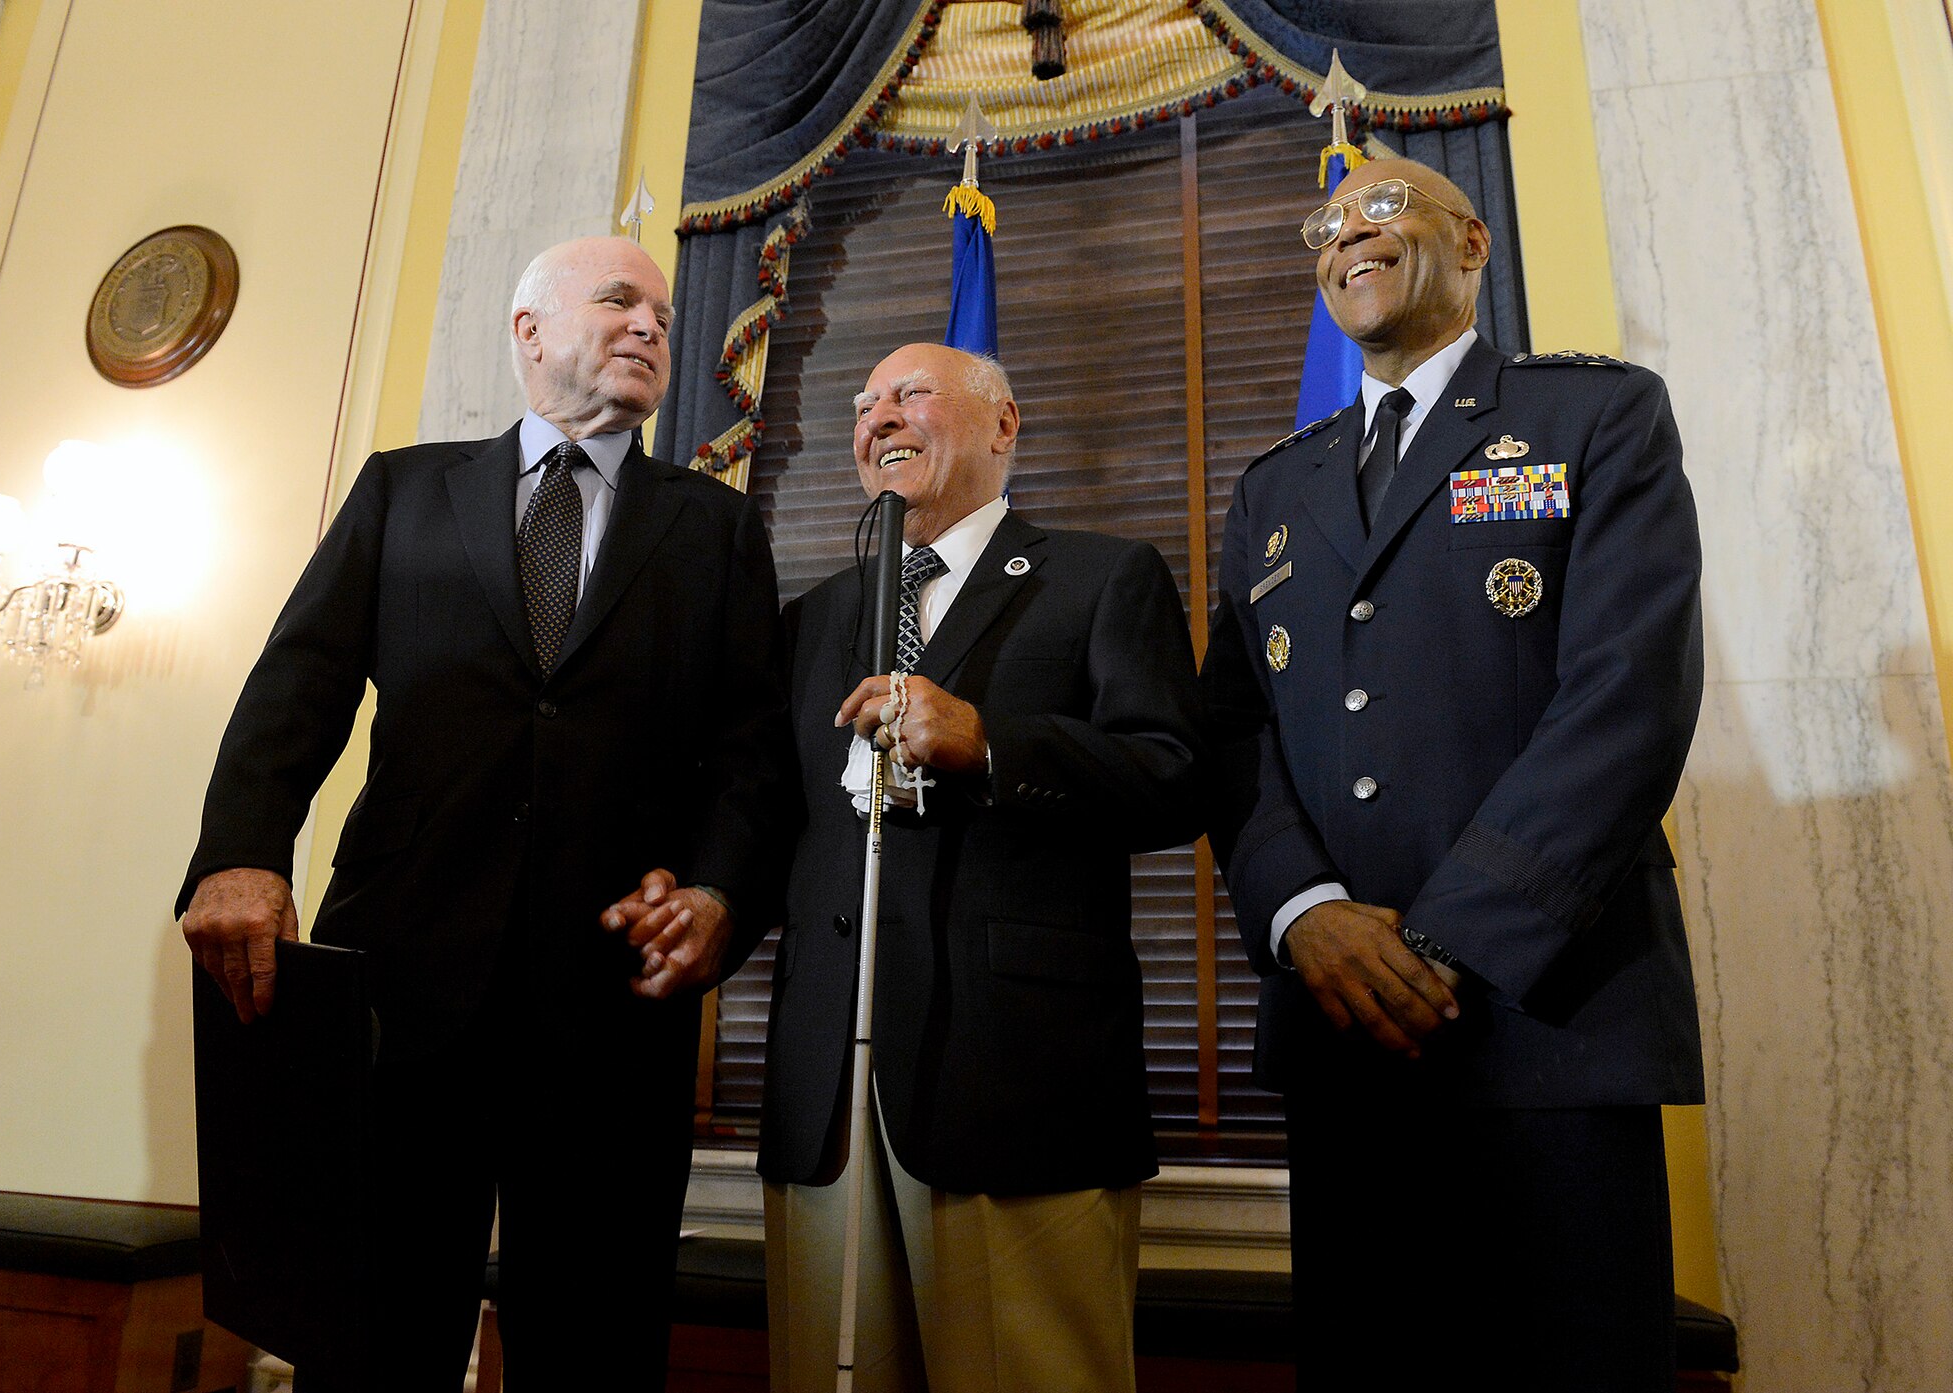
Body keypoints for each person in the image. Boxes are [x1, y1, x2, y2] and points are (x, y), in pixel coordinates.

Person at [177, 235, 793, 1389]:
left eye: (663, 312)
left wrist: (720, 892)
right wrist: (239, 854)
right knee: (375, 1334)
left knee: (593, 1340)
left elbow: (754, 753)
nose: (652, 325)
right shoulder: (405, 490)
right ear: (528, 331)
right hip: (401, 990)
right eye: (619, 300)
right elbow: (296, 686)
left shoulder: (714, 528)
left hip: (615, 998)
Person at [1202, 158, 1706, 1390]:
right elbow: (1232, 735)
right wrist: (1306, 914)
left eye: (1378, 212)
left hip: (1544, 1017)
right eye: (1322, 228)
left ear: (1470, 240)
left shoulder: (1594, 415)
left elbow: (1626, 695)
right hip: (1342, 1037)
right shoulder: (1274, 487)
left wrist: (1445, 940)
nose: (1344, 241)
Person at [759, 343, 1208, 1392]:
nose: (878, 416)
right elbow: (765, 814)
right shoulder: (811, 618)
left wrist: (992, 741)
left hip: (1017, 1078)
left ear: (1003, 425)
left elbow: (1174, 780)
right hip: (829, 1088)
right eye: (863, 404)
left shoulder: (1102, 576)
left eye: (909, 393)